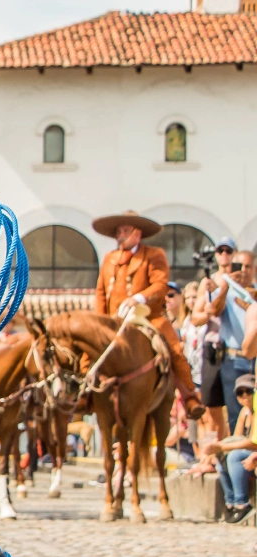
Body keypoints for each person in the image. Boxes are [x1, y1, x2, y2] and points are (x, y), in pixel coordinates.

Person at [92, 211, 206, 422]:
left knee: (174, 349)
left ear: (138, 233)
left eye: (125, 229)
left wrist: (138, 298)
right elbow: (100, 292)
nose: (120, 234)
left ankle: (189, 397)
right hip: (114, 319)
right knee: (88, 347)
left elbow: (160, 284)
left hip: (148, 316)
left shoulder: (153, 254)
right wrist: (100, 320)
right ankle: (84, 393)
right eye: (118, 230)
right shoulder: (110, 259)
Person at [204, 236, 252, 430]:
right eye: (240, 265)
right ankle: (236, 458)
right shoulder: (224, 291)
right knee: (235, 415)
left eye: (248, 266)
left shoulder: (254, 293)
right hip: (233, 359)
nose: (243, 270)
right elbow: (214, 311)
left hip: (254, 360)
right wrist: (226, 285)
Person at [206, 373, 257, 524]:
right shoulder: (245, 413)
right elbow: (238, 437)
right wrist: (220, 448)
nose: (245, 396)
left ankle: (242, 502)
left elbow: (252, 443)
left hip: (253, 451)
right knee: (222, 458)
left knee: (234, 457)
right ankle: (230, 502)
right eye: (240, 393)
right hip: (249, 450)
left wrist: (222, 445)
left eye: (249, 391)